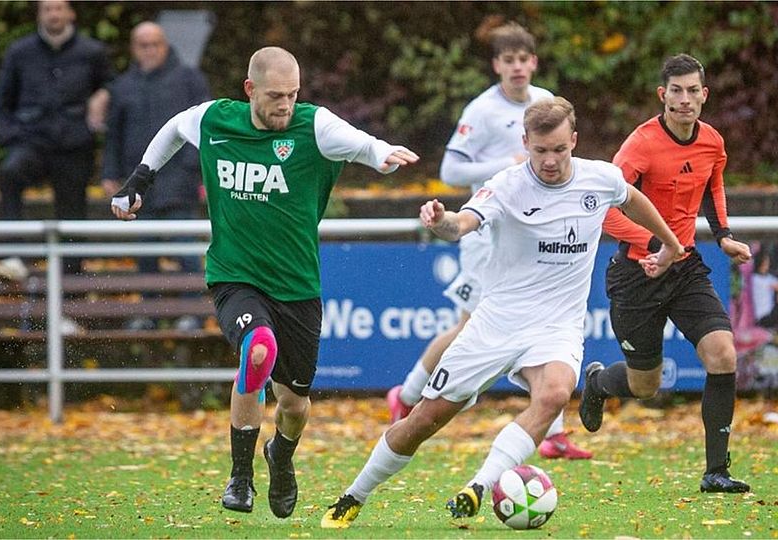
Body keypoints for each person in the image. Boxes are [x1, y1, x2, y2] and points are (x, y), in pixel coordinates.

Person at [320, 97, 683, 529]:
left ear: (574, 142)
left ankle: (479, 485)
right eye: (541, 151)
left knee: (553, 394)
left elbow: (631, 198)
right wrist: (441, 222)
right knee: (424, 420)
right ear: (525, 142)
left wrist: (670, 243)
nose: (550, 161)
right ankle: (353, 495)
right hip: (496, 322)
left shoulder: (599, 179)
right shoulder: (507, 185)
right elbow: (463, 223)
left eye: (560, 150)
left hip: (556, 326)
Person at [110, 47, 418, 518]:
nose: (286, 106)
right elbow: (174, 128)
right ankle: (240, 476)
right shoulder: (216, 121)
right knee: (258, 348)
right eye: (276, 96)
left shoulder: (314, 126)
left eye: (293, 96)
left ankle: (281, 455)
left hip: (296, 286)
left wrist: (382, 153)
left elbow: (358, 142)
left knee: (294, 403)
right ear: (250, 90)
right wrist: (141, 179)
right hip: (235, 276)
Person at [384, 22, 591, 460]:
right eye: (508, 60)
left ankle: (551, 431)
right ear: (497, 65)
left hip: (530, 235)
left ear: (534, 62)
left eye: (523, 59)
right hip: (486, 231)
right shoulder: (481, 110)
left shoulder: (545, 103)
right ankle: (406, 395)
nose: (517, 67)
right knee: (468, 327)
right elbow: (450, 172)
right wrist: (509, 161)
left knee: (542, 321)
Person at [577, 54, 754, 494]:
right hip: (637, 273)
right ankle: (598, 382)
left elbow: (712, 186)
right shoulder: (639, 146)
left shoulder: (712, 141)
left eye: (693, 90)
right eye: (676, 91)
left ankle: (717, 471)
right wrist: (654, 245)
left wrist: (724, 234)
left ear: (704, 95)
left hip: (686, 266)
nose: (685, 100)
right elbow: (605, 212)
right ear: (663, 95)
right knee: (646, 385)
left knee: (723, 354)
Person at [101, 21, 211, 331]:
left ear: (165, 45)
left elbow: (204, 127)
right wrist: (111, 173)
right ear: (134, 49)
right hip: (139, 186)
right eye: (143, 45)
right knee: (145, 251)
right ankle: (149, 313)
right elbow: (114, 135)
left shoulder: (189, 79)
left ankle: (193, 313)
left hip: (179, 184)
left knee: (185, 248)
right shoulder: (122, 86)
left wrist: (193, 168)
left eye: (155, 44)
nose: (150, 50)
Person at [0, 0, 112, 274]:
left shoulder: (92, 52)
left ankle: (72, 286)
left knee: (73, 210)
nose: (54, 14)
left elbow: (111, 84)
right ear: (40, 14)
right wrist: (12, 136)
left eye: (59, 8)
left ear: (70, 13)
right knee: (10, 174)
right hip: (30, 141)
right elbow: (3, 103)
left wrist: (103, 95)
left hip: (74, 145)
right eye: (47, 8)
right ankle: (15, 256)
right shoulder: (19, 52)